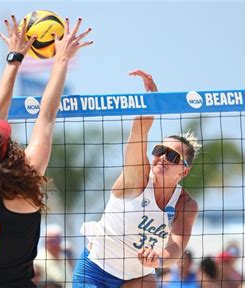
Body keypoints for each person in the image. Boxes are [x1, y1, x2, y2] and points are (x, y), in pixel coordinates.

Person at [0, 15, 92, 288]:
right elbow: (46, 116)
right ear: (4, 150)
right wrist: (60, 59)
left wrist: (14, 57)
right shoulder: (24, 184)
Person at [73, 70, 200, 287]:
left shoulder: (185, 204)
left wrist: (159, 257)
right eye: (160, 150)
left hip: (136, 278)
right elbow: (138, 134)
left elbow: (176, 248)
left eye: (172, 155)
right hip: (96, 270)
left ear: (184, 171)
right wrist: (151, 101)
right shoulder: (139, 178)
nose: (162, 157)